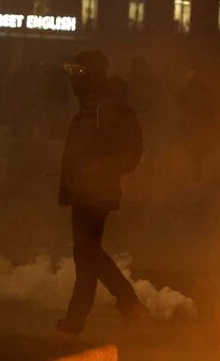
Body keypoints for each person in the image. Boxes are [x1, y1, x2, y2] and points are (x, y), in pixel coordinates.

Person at [57, 50, 147, 335]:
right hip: (87, 190)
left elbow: (123, 153)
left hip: (94, 192)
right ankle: (76, 321)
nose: (73, 80)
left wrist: (100, 175)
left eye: (79, 74)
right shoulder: (94, 105)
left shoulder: (104, 107)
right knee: (86, 256)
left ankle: (128, 304)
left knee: (88, 254)